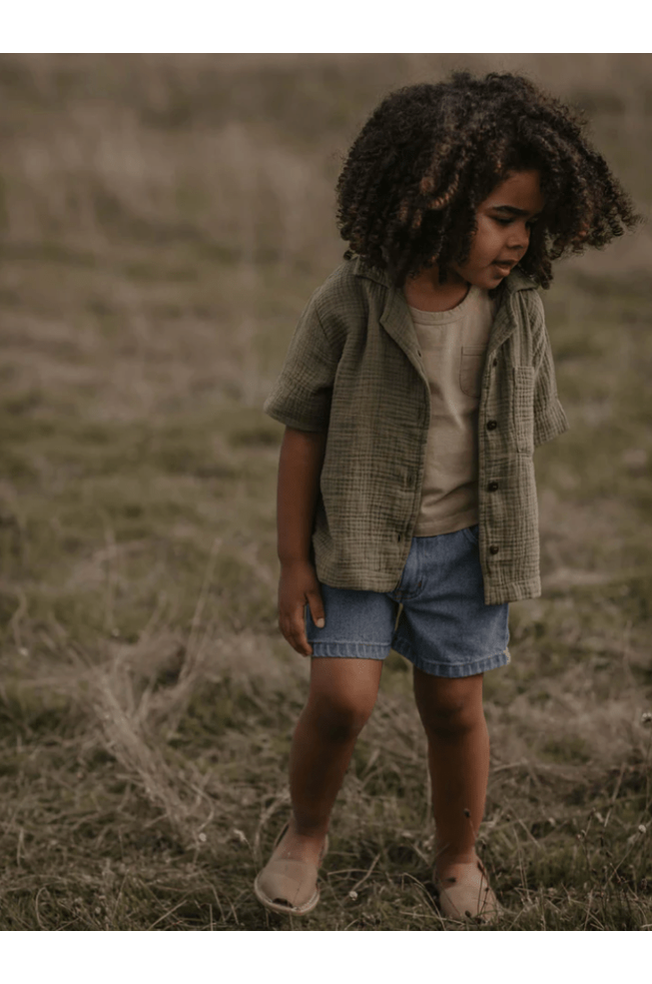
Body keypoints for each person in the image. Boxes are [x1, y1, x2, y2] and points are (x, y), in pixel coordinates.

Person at [254, 72, 639, 922]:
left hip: (463, 548)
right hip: (357, 542)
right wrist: (292, 561)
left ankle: (459, 856)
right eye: (505, 218)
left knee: (455, 706)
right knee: (341, 699)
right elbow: (301, 427)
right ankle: (305, 835)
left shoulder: (519, 310)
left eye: (532, 223)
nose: (519, 241)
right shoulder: (351, 300)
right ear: (432, 199)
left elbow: (521, 430)